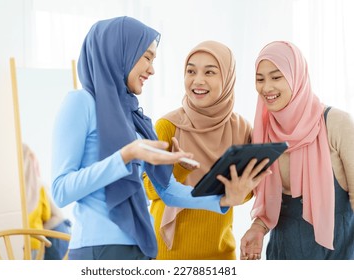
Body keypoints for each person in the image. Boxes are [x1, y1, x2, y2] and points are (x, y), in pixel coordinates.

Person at [51, 16, 270, 260]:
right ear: (120, 53)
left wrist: (222, 200)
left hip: (139, 247)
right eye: (146, 57)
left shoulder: (131, 116)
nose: (152, 69)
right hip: (98, 247)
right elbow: (60, 191)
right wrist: (126, 155)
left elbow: (165, 190)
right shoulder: (81, 102)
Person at [240, 41, 354, 260]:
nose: (267, 87)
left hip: (339, 254)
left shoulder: (336, 123)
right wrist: (258, 228)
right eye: (260, 79)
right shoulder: (261, 133)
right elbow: (271, 202)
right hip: (284, 254)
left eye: (276, 77)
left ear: (297, 76)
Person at [143, 40, 257, 259]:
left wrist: (240, 191)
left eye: (210, 72)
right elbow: (147, 189)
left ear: (227, 77)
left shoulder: (242, 129)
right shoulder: (167, 126)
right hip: (169, 253)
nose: (198, 80)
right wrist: (177, 168)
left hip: (221, 252)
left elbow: (246, 192)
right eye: (191, 71)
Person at [22, 143, 71, 260]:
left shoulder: (10, 192)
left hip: (18, 242)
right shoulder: (40, 187)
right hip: (36, 242)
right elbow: (48, 214)